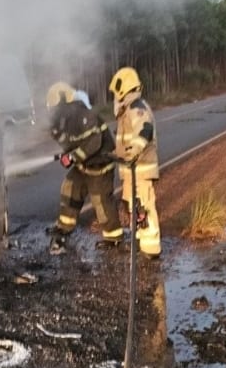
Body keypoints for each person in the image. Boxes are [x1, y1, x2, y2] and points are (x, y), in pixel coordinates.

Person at [45, 82, 122, 254]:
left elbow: (94, 143)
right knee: (69, 188)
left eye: (55, 108)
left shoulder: (84, 115)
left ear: (65, 102)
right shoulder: (67, 119)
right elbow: (70, 141)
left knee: (101, 202)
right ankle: (64, 226)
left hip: (99, 166)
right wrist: (60, 140)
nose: (54, 112)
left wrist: (72, 157)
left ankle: (113, 237)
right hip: (83, 165)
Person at [108, 66, 162, 259]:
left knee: (144, 209)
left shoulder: (136, 108)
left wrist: (132, 152)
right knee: (135, 208)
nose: (115, 98)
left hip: (140, 170)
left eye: (116, 94)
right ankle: (142, 244)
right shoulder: (128, 111)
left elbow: (145, 130)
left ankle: (151, 250)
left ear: (124, 90)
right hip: (132, 171)